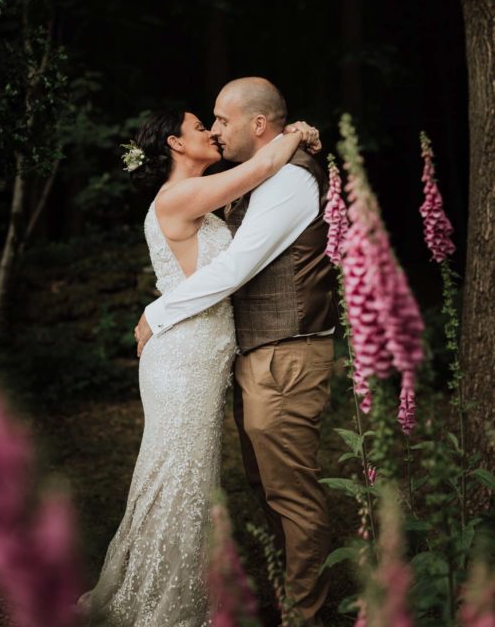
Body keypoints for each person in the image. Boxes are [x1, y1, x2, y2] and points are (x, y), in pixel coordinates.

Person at [77, 105, 319, 627]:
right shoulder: (180, 195)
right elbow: (258, 170)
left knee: (187, 478)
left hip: (201, 355)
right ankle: (165, 607)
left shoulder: (196, 201)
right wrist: (295, 131)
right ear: (175, 146)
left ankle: (169, 590)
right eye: (197, 127)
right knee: (176, 480)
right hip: (183, 358)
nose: (210, 132)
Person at [135, 77, 337, 627]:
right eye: (207, 124)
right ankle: (292, 601)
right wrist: (294, 135)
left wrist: (158, 311)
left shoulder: (289, 180)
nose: (215, 130)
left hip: (287, 354)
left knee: (290, 492)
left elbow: (235, 267)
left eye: (220, 121)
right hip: (251, 356)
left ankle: (305, 614)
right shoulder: (248, 181)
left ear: (257, 124)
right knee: (266, 488)